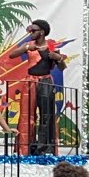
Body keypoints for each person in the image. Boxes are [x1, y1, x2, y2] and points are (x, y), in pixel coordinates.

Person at [9, 19, 66, 155]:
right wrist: (27, 48)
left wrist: (58, 58)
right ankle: (26, 147)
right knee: (26, 114)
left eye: (33, 31)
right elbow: (12, 55)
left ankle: (45, 148)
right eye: (30, 30)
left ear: (42, 32)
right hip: (30, 82)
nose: (31, 33)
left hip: (45, 81)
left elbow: (62, 68)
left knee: (46, 115)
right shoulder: (29, 45)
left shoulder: (51, 47)